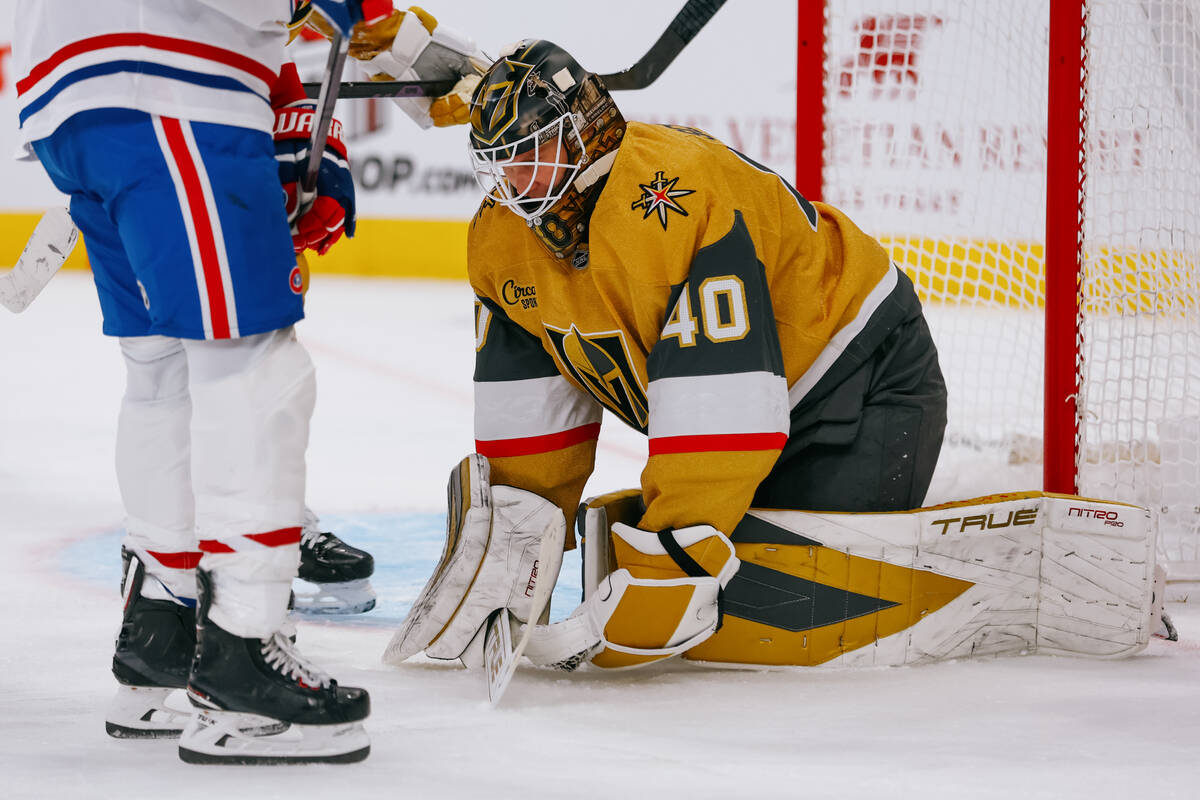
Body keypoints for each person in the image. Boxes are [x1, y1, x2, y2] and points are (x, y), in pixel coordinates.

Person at [12, 0, 484, 764]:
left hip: (82, 92)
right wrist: (390, 37)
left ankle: (161, 637)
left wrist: (295, 106)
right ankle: (241, 654)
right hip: (169, 78)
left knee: (160, 366)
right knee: (257, 366)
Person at [386, 39, 949, 671]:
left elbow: (723, 404)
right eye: (501, 164)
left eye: (531, 156)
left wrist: (673, 554)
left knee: (791, 620)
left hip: (858, 373)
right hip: (763, 397)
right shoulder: (499, 242)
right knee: (735, 608)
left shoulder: (678, 202)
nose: (517, 185)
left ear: (584, 134)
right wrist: (518, 535)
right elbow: (530, 410)